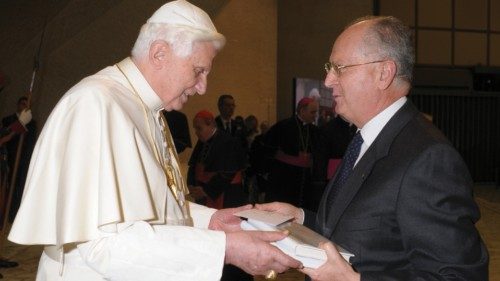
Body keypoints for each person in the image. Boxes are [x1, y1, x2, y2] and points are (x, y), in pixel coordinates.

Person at [8, 1, 301, 280]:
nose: (202, 88)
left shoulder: (147, 107)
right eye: (199, 71)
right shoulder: (95, 105)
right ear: (159, 53)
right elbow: (104, 245)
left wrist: (208, 221)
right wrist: (224, 248)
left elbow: (152, 207)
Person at [257, 16, 488, 280]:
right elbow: (367, 231)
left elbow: (460, 276)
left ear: (383, 73)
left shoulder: (428, 158)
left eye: (340, 67)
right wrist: (300, 220)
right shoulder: (366, 138)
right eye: (329, 67)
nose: (328, 79)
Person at [187, 110, 251, 281]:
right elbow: (194, 166)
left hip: (228, 196)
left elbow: (229, 172)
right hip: (207, 196)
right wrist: (193, 185)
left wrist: (206, 190)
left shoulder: (229, 142)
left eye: (199, 128)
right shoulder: (203, 142)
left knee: (229, 237)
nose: (196, 132)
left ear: (211, 124)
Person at [262, 97, 325, 211]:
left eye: (316, 112)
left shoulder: (315, 130)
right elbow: (267, 149)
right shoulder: (283, 126)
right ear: (302, 111)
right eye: (312, 112)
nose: (315, 115)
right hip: (284, 176)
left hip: (305, 177)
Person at [1, 96, 37, 223]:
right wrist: (20, 124)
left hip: (21, 161)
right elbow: (5, 136)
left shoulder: (32, 123)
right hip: (8, 156)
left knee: (17, 189)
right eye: (22, 103)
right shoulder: (8, 119)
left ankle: (11, 218)